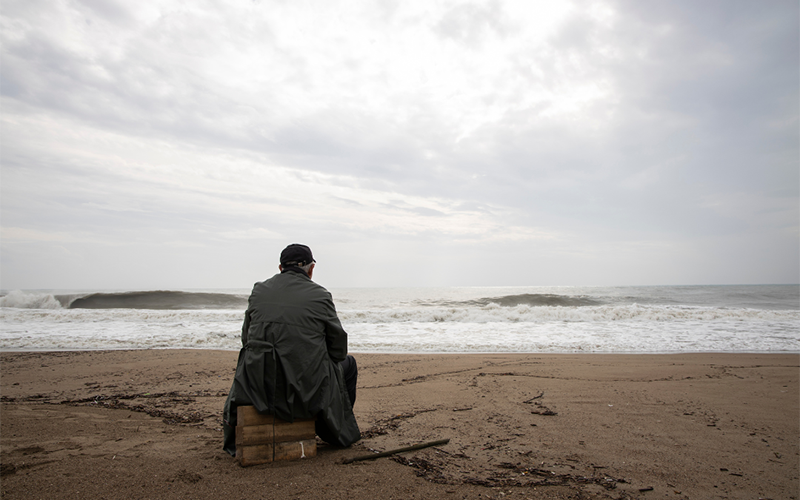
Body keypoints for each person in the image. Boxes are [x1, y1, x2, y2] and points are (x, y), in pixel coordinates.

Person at [222, 244, 360, 455]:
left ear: (280, 268)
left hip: (257, 387)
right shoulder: (320, 295)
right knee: (348, 365)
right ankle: (330, 429)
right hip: (304, 390)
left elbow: (246, 339)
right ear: (311, 269)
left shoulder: (259, 290)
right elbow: (338, 349)